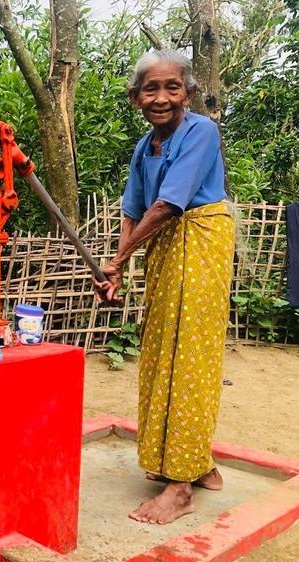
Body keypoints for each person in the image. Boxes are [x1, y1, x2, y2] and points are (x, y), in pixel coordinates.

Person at [93, 49, 235, 525]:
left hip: (200, 240)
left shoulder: (201, 132)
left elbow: (168, 206)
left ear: (189, 93)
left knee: (190, 352)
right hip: (166, 246)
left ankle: (181, 488)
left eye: (172, 87)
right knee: (160, 350)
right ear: (135, 98)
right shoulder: (142, 147)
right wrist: (114, 270)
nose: (162, 98)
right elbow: (133, 212)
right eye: (150, 89)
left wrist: (117, 260)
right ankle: (193, 465)